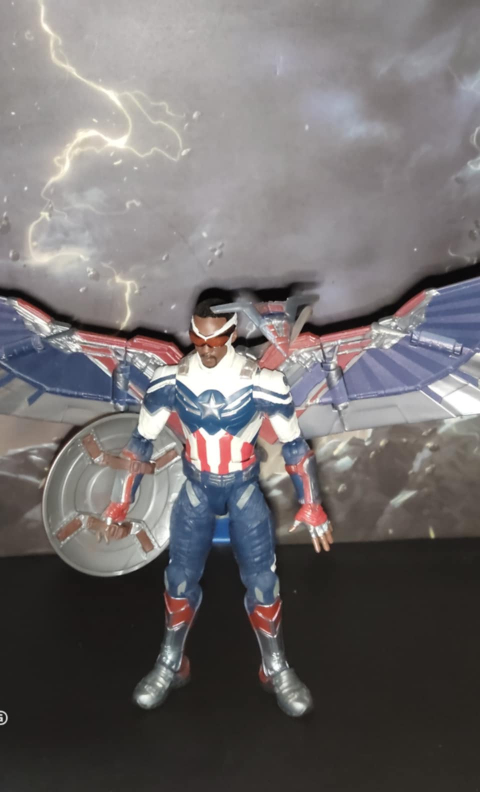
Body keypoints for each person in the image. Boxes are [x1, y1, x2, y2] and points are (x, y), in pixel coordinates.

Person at [99, 294, 333, 717]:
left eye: (215, 340)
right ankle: (171, 662)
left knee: (263, 583)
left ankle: (275, 666)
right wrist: (119, 504)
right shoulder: (170, 380)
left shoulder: (262, 381)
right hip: (196, 488)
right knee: (179, 580)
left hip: (242, 488)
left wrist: (311, 504)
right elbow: (140, 443)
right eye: (198, 340)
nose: (206, 350)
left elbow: (295, 446)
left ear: (232, 333)